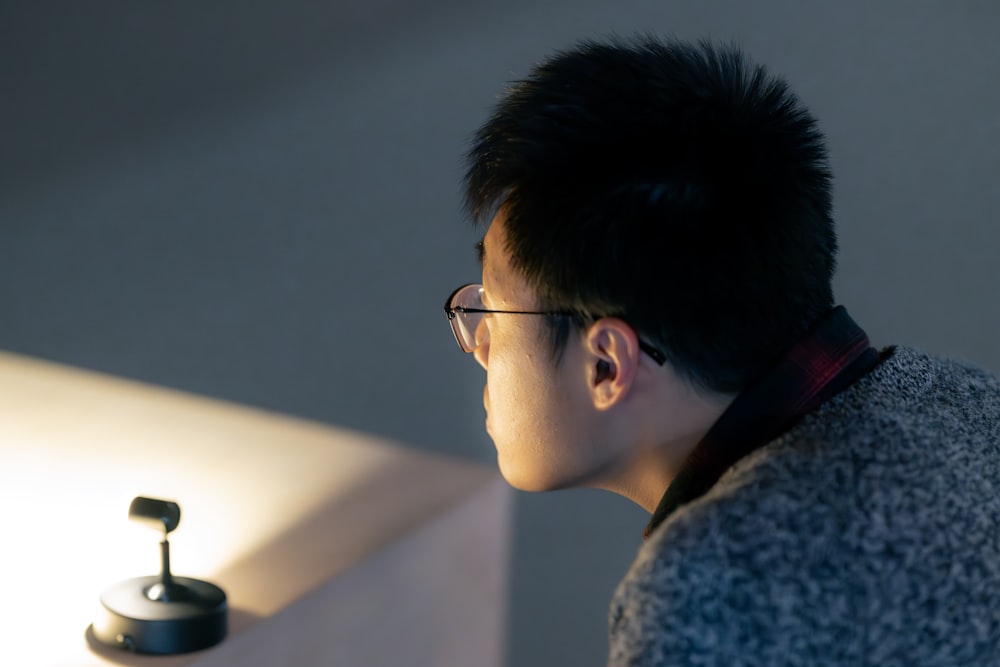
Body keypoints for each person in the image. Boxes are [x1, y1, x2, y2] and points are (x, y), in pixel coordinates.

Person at [443, 35, 1000, 665]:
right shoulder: (969, 396)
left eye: (491, 307)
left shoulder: (706, 590)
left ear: (606, 364)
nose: (477, 342)